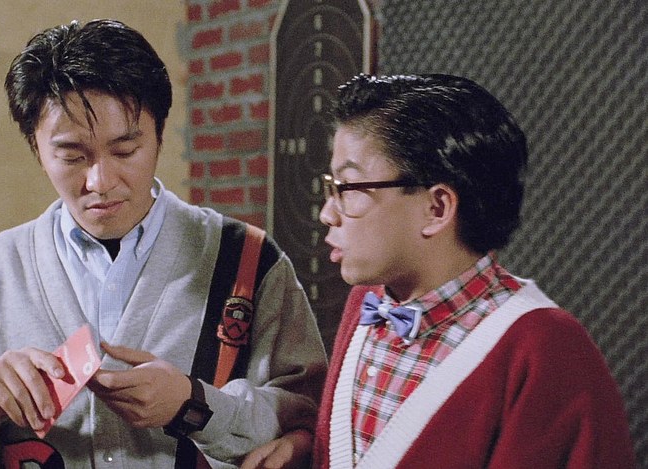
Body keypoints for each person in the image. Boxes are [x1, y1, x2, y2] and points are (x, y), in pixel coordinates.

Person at [0, 19, 327, 469]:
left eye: (124, 151)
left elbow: (313, 424)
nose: (100, 181)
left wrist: (194, 405)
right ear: (37, 149)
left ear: (159, 136)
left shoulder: (249, 261)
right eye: (72, 155)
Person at [243, 74, 636, 468]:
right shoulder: (368, 303)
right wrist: (306, 447)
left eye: (349, 188)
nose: (327, 213)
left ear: (437, 208)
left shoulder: (547, 349)